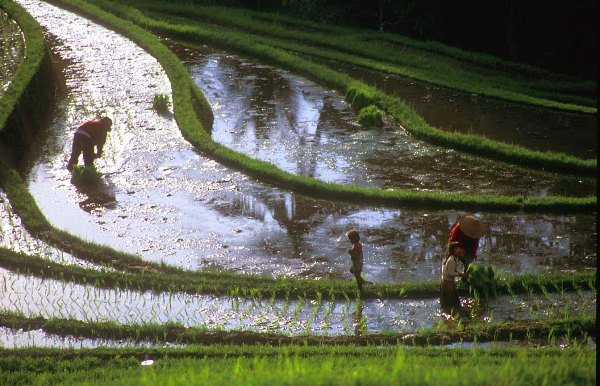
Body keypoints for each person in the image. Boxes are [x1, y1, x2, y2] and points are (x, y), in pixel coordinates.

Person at [440, 241, 466, 315]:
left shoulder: (454, 258)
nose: (459, 250)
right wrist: (460, 274)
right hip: (448, 283)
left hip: (447, 281)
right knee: (450, 300)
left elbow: (452, 270)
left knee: (451, 300)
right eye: (456, 248)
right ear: (452, 250)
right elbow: (450, 273)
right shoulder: (451, 260)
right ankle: (451, 313)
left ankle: (449, 312)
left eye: (459, 248)